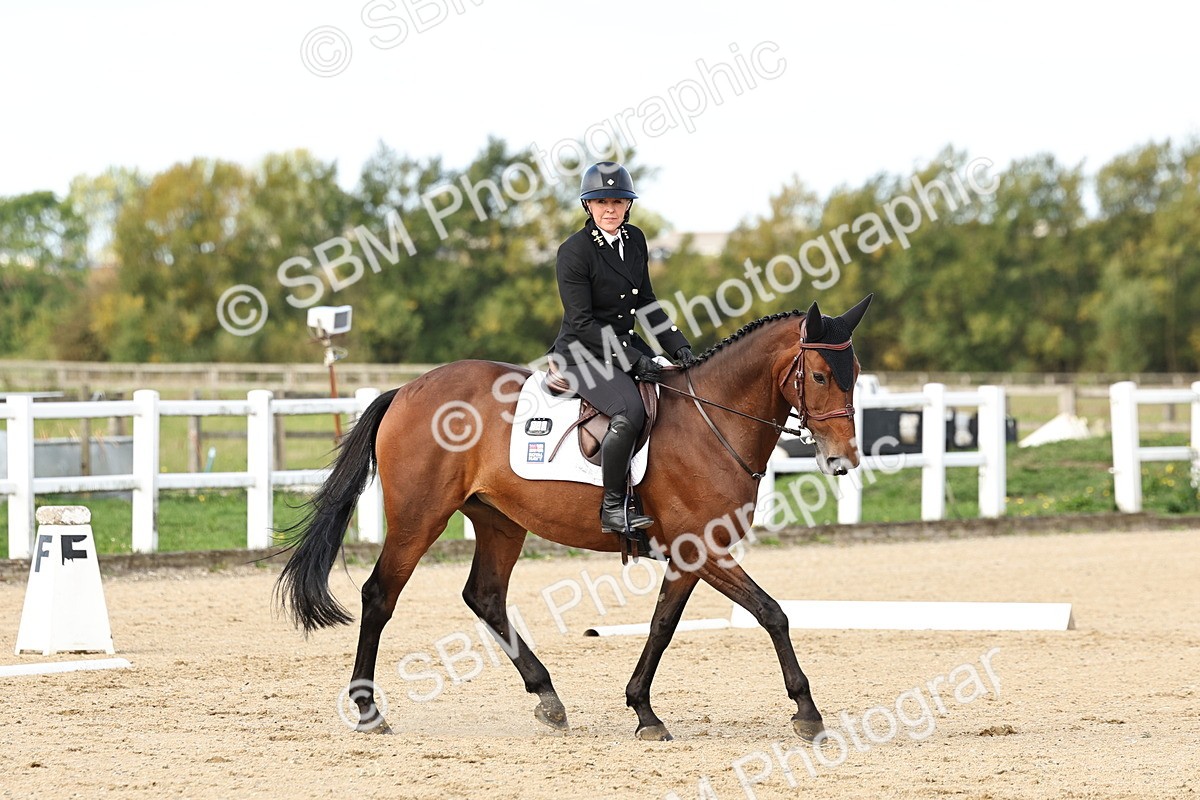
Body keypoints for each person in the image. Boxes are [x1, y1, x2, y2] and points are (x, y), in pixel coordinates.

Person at [549, 161, 697, 539]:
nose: (610, 209)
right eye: (601, 202)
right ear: (588, 206)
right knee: (629, 410)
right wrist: (634, 360)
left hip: (622, 344)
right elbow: (582, 324)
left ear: (628, 205)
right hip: (581, 352)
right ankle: (613, 507)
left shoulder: (635, 241)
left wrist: (677, 346)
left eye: (618, 201)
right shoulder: (574, 252)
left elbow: (646, 302)